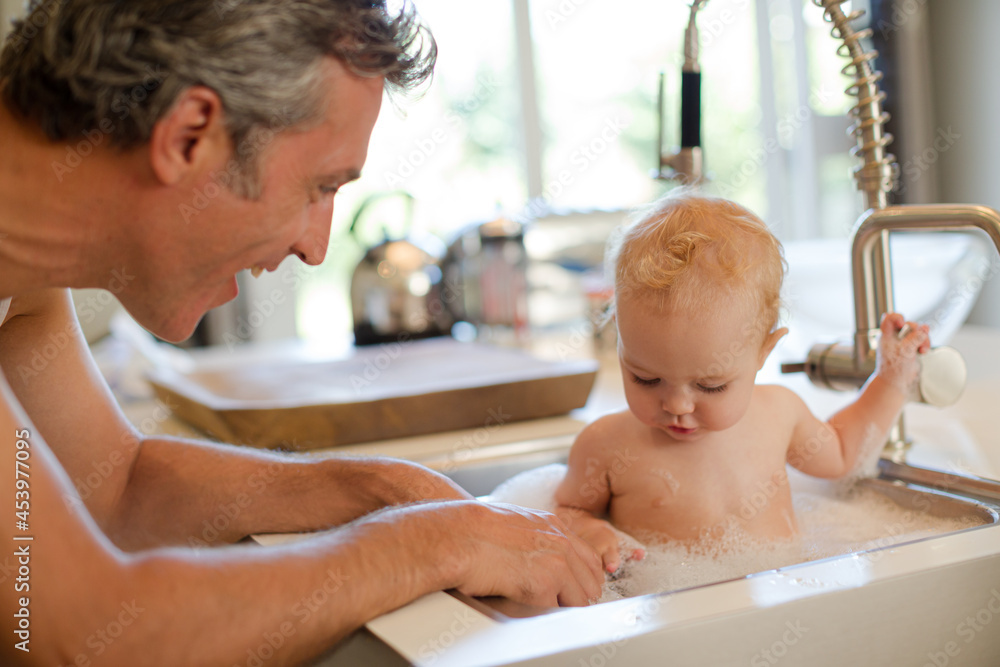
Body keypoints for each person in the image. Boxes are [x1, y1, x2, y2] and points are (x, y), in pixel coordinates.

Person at [0, 1, 603, 664]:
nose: (317, 247)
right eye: (321, 186)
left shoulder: (25, 269)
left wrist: (385, 491)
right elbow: (79, 634)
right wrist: (429, 544)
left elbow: (114, 486)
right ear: (189, 135)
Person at [554, 190, 930, 574]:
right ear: (620, 337)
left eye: (711, 386)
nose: (678, 405)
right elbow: (566, 510)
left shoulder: (780, 415)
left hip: (776, 602)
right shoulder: (605, 446)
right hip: (669, 613)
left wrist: (890, 380)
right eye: (646, 378)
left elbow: (845, 455)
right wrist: (590, 530)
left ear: (763, 352)